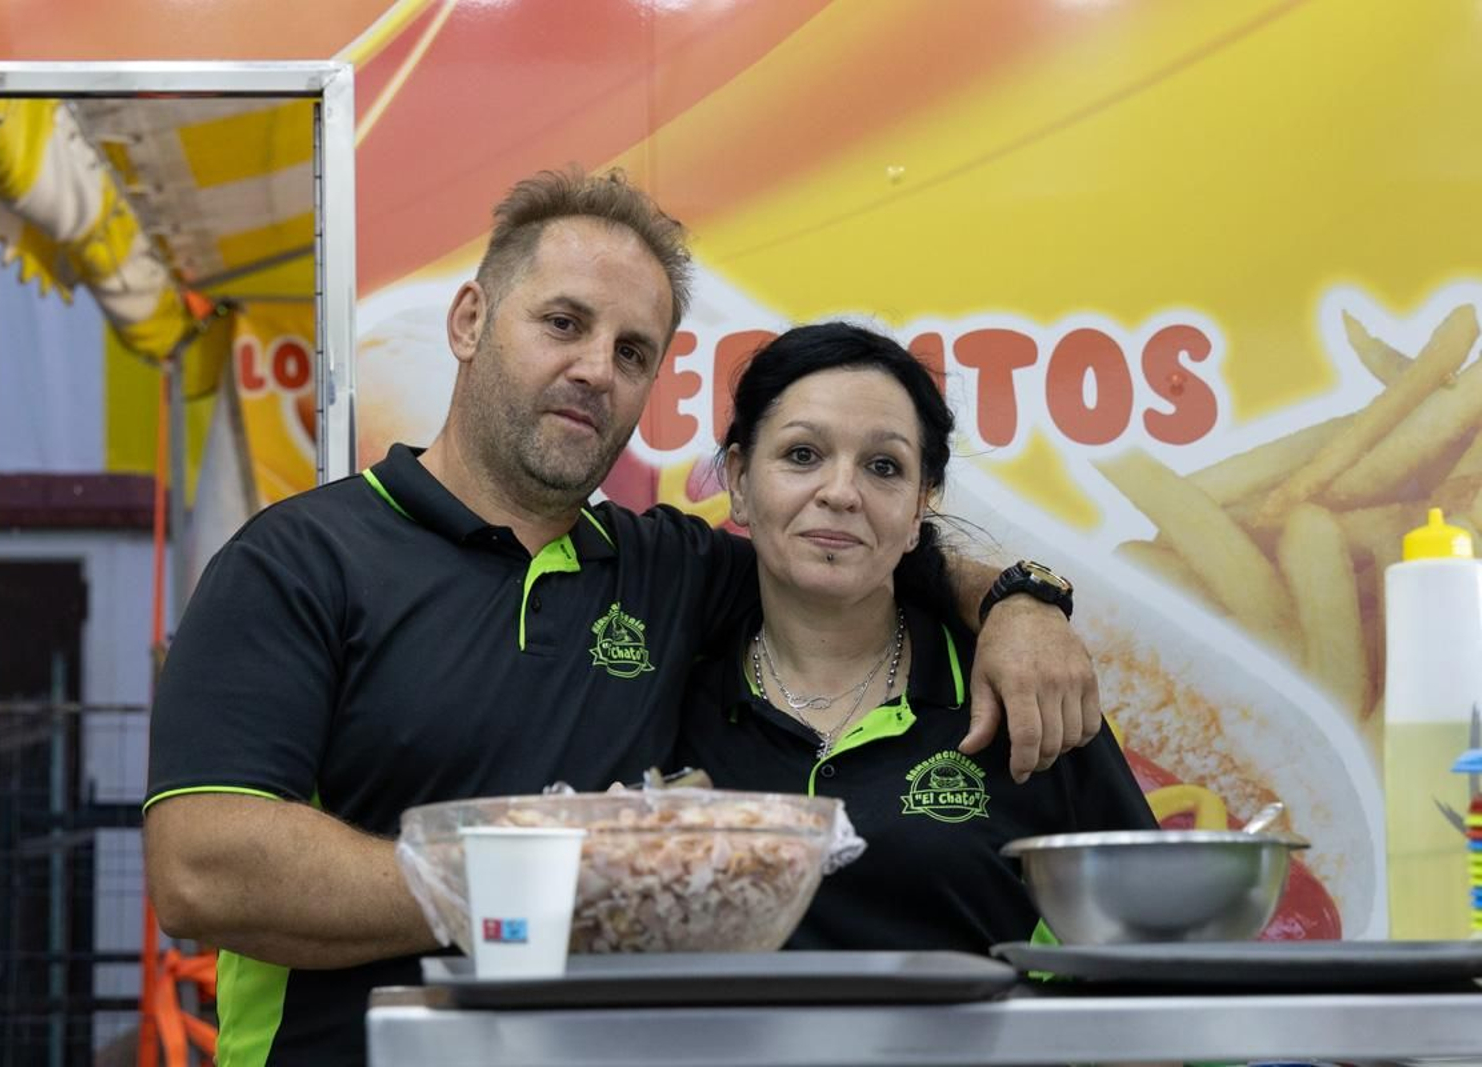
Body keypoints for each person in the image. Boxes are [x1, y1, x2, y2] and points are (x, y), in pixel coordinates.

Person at [143, 169, 1102, 1065]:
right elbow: (205, 869)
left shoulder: (667, 567)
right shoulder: (299, 559)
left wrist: (1021, 601)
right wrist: (542, 880)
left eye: (632, 351)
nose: (596, 369)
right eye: (563, 322)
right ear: (471, 319)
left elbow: (852, 552)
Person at [676, 322, 1158, 952]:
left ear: (919, 507)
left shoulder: (1022, 688)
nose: (841, 492)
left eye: (884, 467)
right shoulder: (665, 690)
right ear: (738, 480)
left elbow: (1155, 946)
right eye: (802, 455)